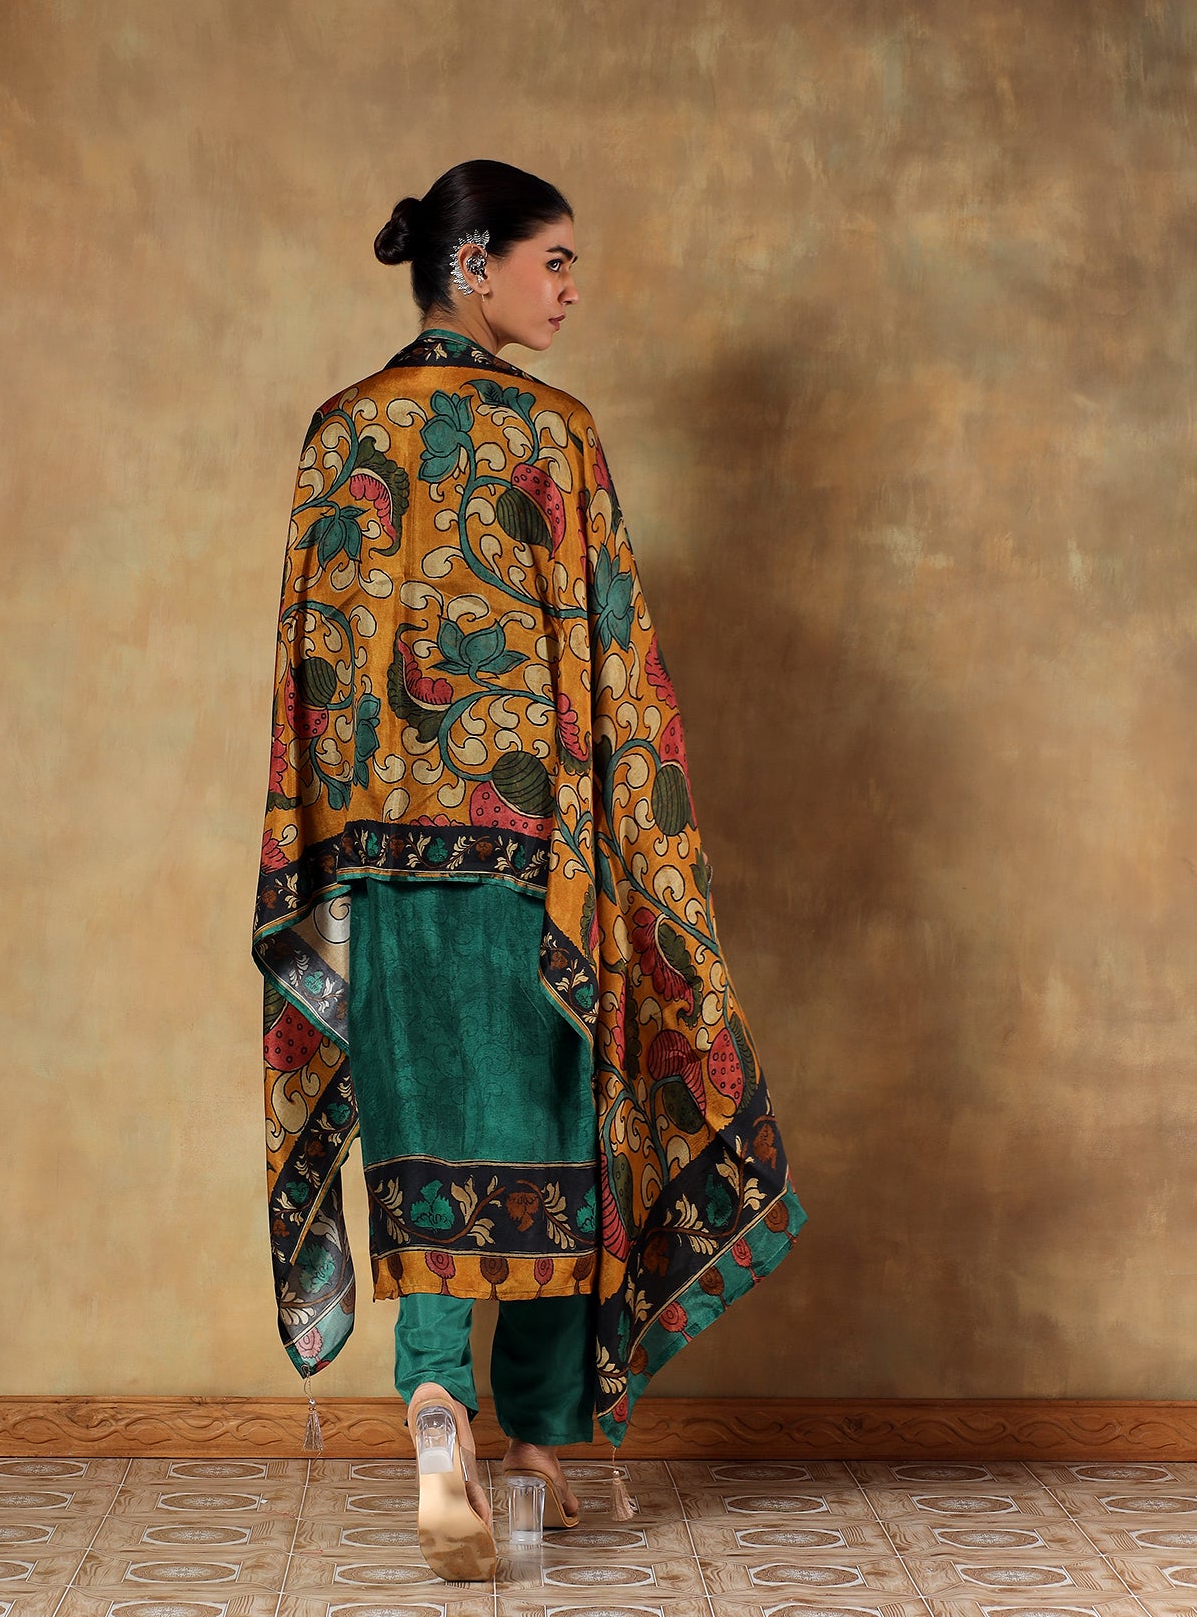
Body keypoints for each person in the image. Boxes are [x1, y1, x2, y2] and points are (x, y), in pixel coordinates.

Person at [253, 160, 805, 1579]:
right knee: (558, 1142)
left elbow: (312, 672)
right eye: (553, 261)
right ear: (476, 262)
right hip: (533, 873)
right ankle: (540, 1454)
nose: (569, 291)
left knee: (426, 1141)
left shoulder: (340, 432)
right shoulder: (555, 436)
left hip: (381, 876)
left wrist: (329, 861)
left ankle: (437, 1407)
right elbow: (617, 669)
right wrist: (628, 846)